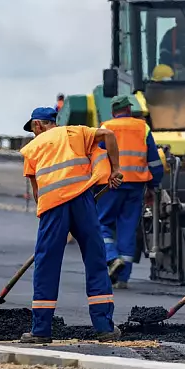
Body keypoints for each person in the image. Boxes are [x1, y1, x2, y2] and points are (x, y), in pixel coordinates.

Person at [19, 106, 124, 343]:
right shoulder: (76, 132)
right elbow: (108, 135)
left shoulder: (32, 149)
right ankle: (105, 327)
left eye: (34, 129)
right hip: (83, 201)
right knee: (96, 260)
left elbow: (37, 193)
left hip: (53, 207)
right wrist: (116, 169)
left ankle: (41, 330)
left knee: (46, 265)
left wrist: (52, 226)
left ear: (38, 125)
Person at [92, 96, 164, 289]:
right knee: (128, 229)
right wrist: (154, 184)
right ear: (128, 110)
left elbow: (97, 158)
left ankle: (111, 257)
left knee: (101, 223)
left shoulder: (105, 126)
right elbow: (155, 161)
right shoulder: (143, 127)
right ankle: (123, 278)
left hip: (111, 185)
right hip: (136, 186)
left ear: (114, 111)